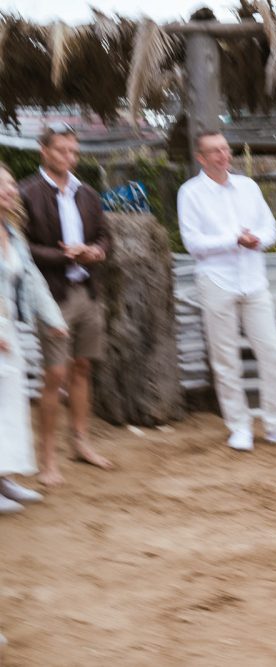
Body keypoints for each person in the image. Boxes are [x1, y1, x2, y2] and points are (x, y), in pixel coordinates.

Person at [177, 130, 276, 452]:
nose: (222, 155)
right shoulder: (191, 192)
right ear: (201, 158)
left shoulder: (248, 187)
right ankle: (238, 426)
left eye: (225, 149)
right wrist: (233, 240)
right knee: (225, 358)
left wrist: (257, 240)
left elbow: (271, 230)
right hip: (216, 280)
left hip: (254, 279)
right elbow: (193, 243)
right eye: (214, 151)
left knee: (272, 351)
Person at [20, 122, 113, 485]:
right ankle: (47, 460)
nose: (70, 157)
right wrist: (67, 257)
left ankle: (80, 444)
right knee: (54, 375)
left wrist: (96, 250)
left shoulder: (87, 192)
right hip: (51, 295)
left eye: (74, 151)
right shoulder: (26, 192)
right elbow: (19, 245)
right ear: (44, 151)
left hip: (88, 292)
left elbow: (106, 234)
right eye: (62, 150)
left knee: (82, 368)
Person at [0, 163, 67, 513]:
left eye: (11, 184)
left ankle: (4, 479)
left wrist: (54, 319)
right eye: (3, 186)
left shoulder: (12, 231)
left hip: (9, 330)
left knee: (10, 405)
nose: (11, 190)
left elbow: (32, 278)